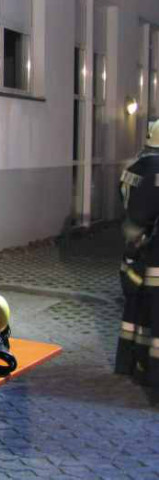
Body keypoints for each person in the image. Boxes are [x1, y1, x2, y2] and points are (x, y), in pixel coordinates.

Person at [115, 120, 159, 387]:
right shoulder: (156, 170)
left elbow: (127, 204)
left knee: (135, 310)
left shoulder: (132, 167)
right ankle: (146, 370)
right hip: (150, 250)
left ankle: (129, 363)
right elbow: (145, 213)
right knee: (149, 314)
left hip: (136, 250)